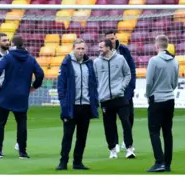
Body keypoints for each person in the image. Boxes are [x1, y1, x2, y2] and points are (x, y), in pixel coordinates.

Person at [0, 35, 44, 159]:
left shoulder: (8, 57)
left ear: (13, 45)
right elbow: (40, 74)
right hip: (22, 95)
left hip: (7, 93)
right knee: (21, 124)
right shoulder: (30, 59)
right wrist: (34, 86)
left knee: (0, 123)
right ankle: (22, 152)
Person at [56, 38, 99, 171]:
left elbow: (93, 84)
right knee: (67, 136)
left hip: (85, 105)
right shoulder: (66, 63)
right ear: (73, 49)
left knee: (82, 136)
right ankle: (63, 162)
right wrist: (64, 105)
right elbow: (61, 87)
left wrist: (94, 101)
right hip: (71, 106)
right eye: (78, 48)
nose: (81, 51)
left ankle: (78, 162)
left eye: (82, 48)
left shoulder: (89, 64)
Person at [94, 38, 135, 159]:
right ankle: (112, 150)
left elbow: (128, 74)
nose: (99, 49)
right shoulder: (96, 62)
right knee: (109, 126)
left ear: (108, 48)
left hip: (120, 97)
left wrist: (122, 88)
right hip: (105, 99)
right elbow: (94, 79)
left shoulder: (120, 59)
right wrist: (99, 92)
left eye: (101, 47)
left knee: (126, 122)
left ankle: (129, 148)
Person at [145, 35, 179, 172]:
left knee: (154, 131)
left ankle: (159, 162)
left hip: (157, 99)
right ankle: (168, 163)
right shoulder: (175, 61)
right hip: (170, 99)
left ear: (156, 46)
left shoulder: (154, 61)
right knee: (167, 132)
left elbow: (148, 82)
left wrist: (149, 95)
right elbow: (175, 82)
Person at [106, 29, 137, 151]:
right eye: (108, 40)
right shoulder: (102, 54)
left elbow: (131, 70)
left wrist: (131, 87)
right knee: (111, 119)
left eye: (113, 39)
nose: (111, 42)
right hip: (110, 93)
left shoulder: (124, 51)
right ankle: (115, 143)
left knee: (129, 117)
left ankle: (126, 140)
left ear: (116, 38)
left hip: (125, 91)